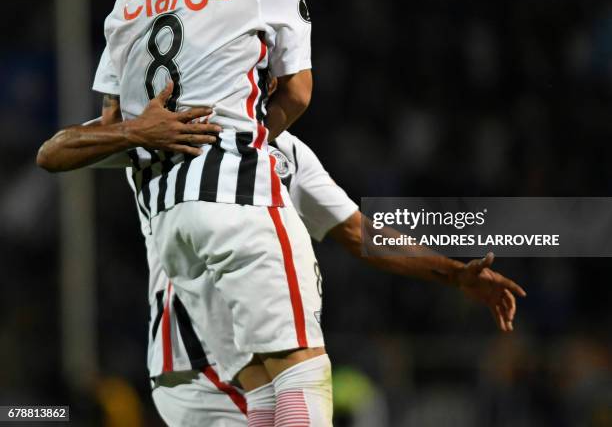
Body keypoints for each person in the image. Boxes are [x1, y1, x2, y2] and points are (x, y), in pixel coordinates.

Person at [49, 0, 330, 425]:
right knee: (302, 376)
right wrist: (256, 133)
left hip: (168, 229)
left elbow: (109, 123)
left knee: (258, 388)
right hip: (238, 197)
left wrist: (141, 134)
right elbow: (299, 90)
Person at [38, 92, 526, 426]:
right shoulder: (174, 128)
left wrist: (452, 273)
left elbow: (359, 233)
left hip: (254, 361)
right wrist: (132, 134)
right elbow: (54, 151)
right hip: (195, 359)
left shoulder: (287, 153)